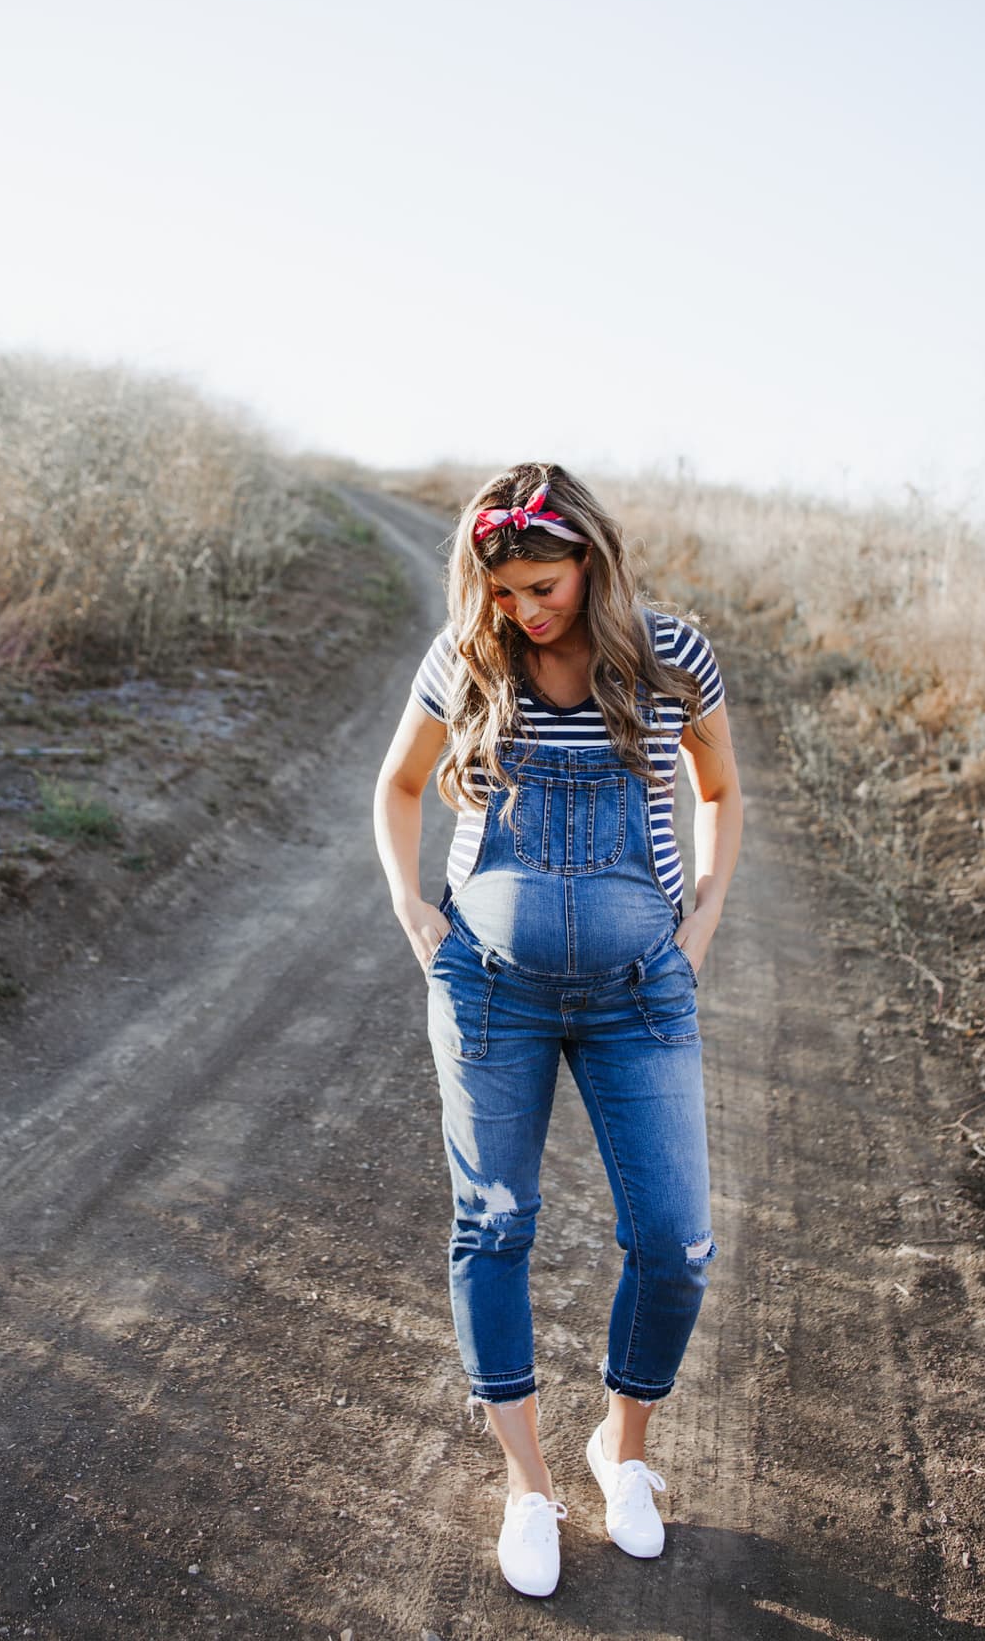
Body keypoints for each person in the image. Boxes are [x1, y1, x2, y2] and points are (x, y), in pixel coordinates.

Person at [372, 461, 743, 1598]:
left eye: (544, 584)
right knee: (495, 1226)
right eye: (505, 592)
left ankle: (620, 1453)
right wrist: (415, 913)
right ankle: (528, 1486)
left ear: (592, 559)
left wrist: (702, 930)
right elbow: (398, 788)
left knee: (676, 1244)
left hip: (643, 993)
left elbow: (721, 791)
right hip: (493, 991)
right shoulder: (470, 659)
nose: (525, 610)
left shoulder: (670, 657)